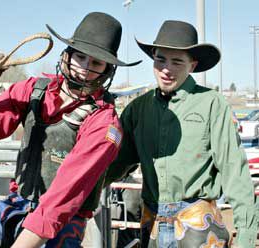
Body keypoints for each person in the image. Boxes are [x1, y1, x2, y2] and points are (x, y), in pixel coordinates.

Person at [0, 12, 140, 247]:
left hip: (62, 223)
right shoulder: (33, 90)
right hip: (15, 207)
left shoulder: (104, 125)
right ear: (68, 55)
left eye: (96, 63)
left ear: (108, 69)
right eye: (80, 57)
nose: (85, 68)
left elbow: (62, 198)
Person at [104, 20, 258, 248]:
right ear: (153, 58)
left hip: (199, 229)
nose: (166, 69)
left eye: (177, 61)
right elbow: (115, 164)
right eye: (160, 59)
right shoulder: (138, 109)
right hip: (152, 225)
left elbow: (234, 171)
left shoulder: (211, 104)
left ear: (192, 65)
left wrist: (246, 235)